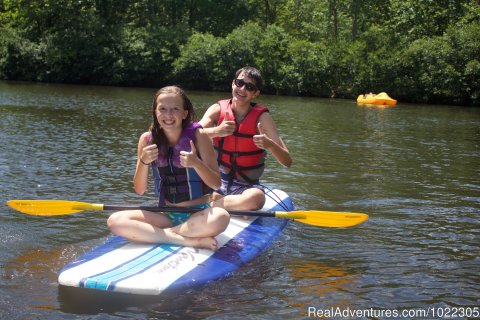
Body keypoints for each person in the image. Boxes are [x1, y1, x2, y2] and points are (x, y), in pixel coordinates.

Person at [107, 86, 230, 251]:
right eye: (162, 109)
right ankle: (184, 239)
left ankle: (158, 235)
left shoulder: (199, 136)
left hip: (197, 212)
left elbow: (216, 183)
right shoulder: (146, 140)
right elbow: (139, 190)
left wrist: (196, 163)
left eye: (175, 109)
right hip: (165, 213)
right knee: (115, 221)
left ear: (185, 113)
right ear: (155, 112)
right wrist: (143, 162)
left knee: (221, 217)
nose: (168, 115)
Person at [200, 66, 292, 211]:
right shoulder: (217, 110)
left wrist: (271, 145)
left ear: (256, 93)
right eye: (239, 83)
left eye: (249, 87)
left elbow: (287, 162)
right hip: (217, 181)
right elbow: (190, 135)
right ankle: (232, 207)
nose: (242, 89)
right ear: (232, 83)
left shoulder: (263, 118)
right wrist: (216, 131)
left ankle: (212, 206)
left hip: (247, 186)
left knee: (257, 198)